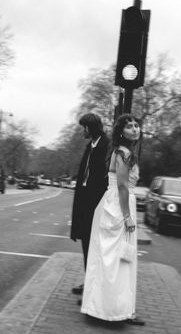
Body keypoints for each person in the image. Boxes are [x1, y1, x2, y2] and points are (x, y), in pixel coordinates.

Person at [80, 113, 145, 326]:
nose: (135, 129)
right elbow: (123, 186)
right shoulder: (124, 153)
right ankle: (112, 311)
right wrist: (127, 217)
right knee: (117, 260)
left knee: (106, 258)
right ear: (121, 132)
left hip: (112, 204)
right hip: (119, 206)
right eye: (130, 127)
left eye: (136, 125)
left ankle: (103, 308)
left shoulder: (120, 151)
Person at [70, 113, 109, 297]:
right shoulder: (91, 145)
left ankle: (94, 287)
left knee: (96, 247)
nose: (82, 131)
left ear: (89, 128)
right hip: (86, 204)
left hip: (97, 204)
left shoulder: (105, 146)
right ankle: (89, 281)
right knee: (87, 244)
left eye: (83, 128)